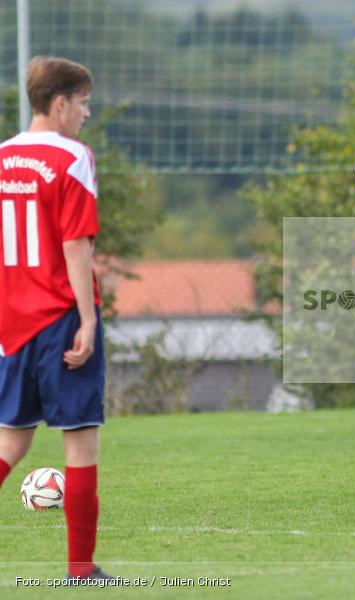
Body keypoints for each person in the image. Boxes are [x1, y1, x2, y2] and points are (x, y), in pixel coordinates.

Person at [0, 56, 111, 581]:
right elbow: (75, 244)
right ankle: (81, 570)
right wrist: (87, 321)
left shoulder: (2, 157)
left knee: (11, 441)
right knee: (80, 437)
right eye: (84, 102)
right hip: (61, 317)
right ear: (60, 102)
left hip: (12, 322)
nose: (87, 113)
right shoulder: (72, 157)